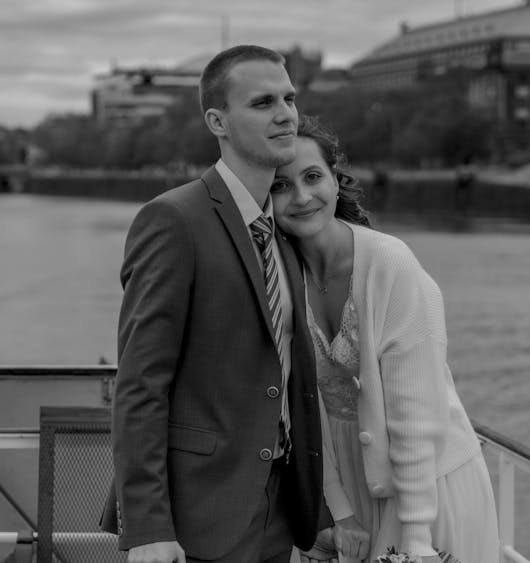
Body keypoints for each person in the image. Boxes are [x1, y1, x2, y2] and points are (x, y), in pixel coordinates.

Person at [99, 46, 332, 563]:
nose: (285, 114)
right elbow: (140, 384)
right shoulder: (174, 220)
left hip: (277, 511)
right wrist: (147, 528)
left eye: (290, 98)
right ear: (217, 121)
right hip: (197, 517)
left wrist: (318, 512)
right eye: (263, 102)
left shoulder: (282, 227)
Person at [271, 116, 500, 563]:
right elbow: (301, 406)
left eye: (313, 176)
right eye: (281, 186)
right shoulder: (280, 274)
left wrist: (415, 540)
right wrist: (335, 509)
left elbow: (416, 412)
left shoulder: (390, 265)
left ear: (336, 182)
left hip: (427, 486)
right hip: (345, 492)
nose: (301, 197)